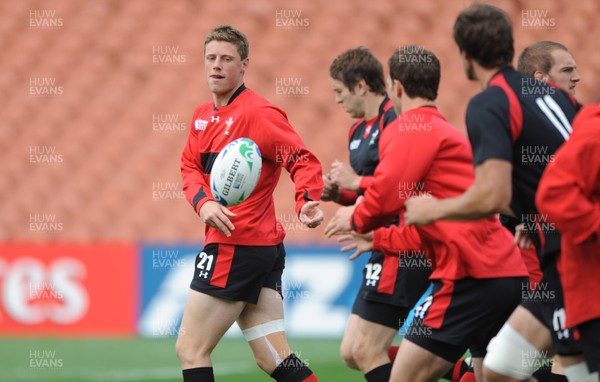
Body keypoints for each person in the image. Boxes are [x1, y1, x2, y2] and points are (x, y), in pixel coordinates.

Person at [402, 4, 587, 381]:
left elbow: (491, 195)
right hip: (566, 253)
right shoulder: (556, 98)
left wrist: (432, 210)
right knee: (501, 367)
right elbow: (564, 165)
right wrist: (531, 216)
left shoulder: (490, 103)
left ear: (465, 56)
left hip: (581, 258)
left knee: (567, 368)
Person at [324, 45, 529, 382]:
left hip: (469, 277)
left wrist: (357, 218)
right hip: (500, 273)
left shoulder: (410, 129)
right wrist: (377, 237)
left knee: (401, 375)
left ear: (397, 87)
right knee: (493, 376)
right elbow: (423, 226)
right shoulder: (440, 131)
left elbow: (385, 195)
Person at [177, 24, 324, 382]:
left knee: (191, 349)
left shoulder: (259, 113)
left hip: (235, 246)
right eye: (210, 58)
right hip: (261, 248)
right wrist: (204, 204)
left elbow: (301, 159)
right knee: (273, 356)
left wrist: (306, 199)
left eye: (226, 59)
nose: (216, 65)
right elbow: (189, 167)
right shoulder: (201, 116)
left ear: (244, 65)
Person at [323, 47, 432, 382]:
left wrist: (356, 183)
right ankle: (464, 371)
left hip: (403, 247)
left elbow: (402, 184)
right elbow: (370, 193)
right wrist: (340, 194)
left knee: (366, 351)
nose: (337, 101)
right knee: (351, 353)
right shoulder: (357, 132)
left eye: (339, 92)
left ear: (359, 86)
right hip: (379, 245)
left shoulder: (394, 121)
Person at [537, 104, 600, 381]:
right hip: (572, 277)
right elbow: (553, 195)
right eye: (566, 69)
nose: (575, 77)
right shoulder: (592, 129)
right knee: (499, 364)